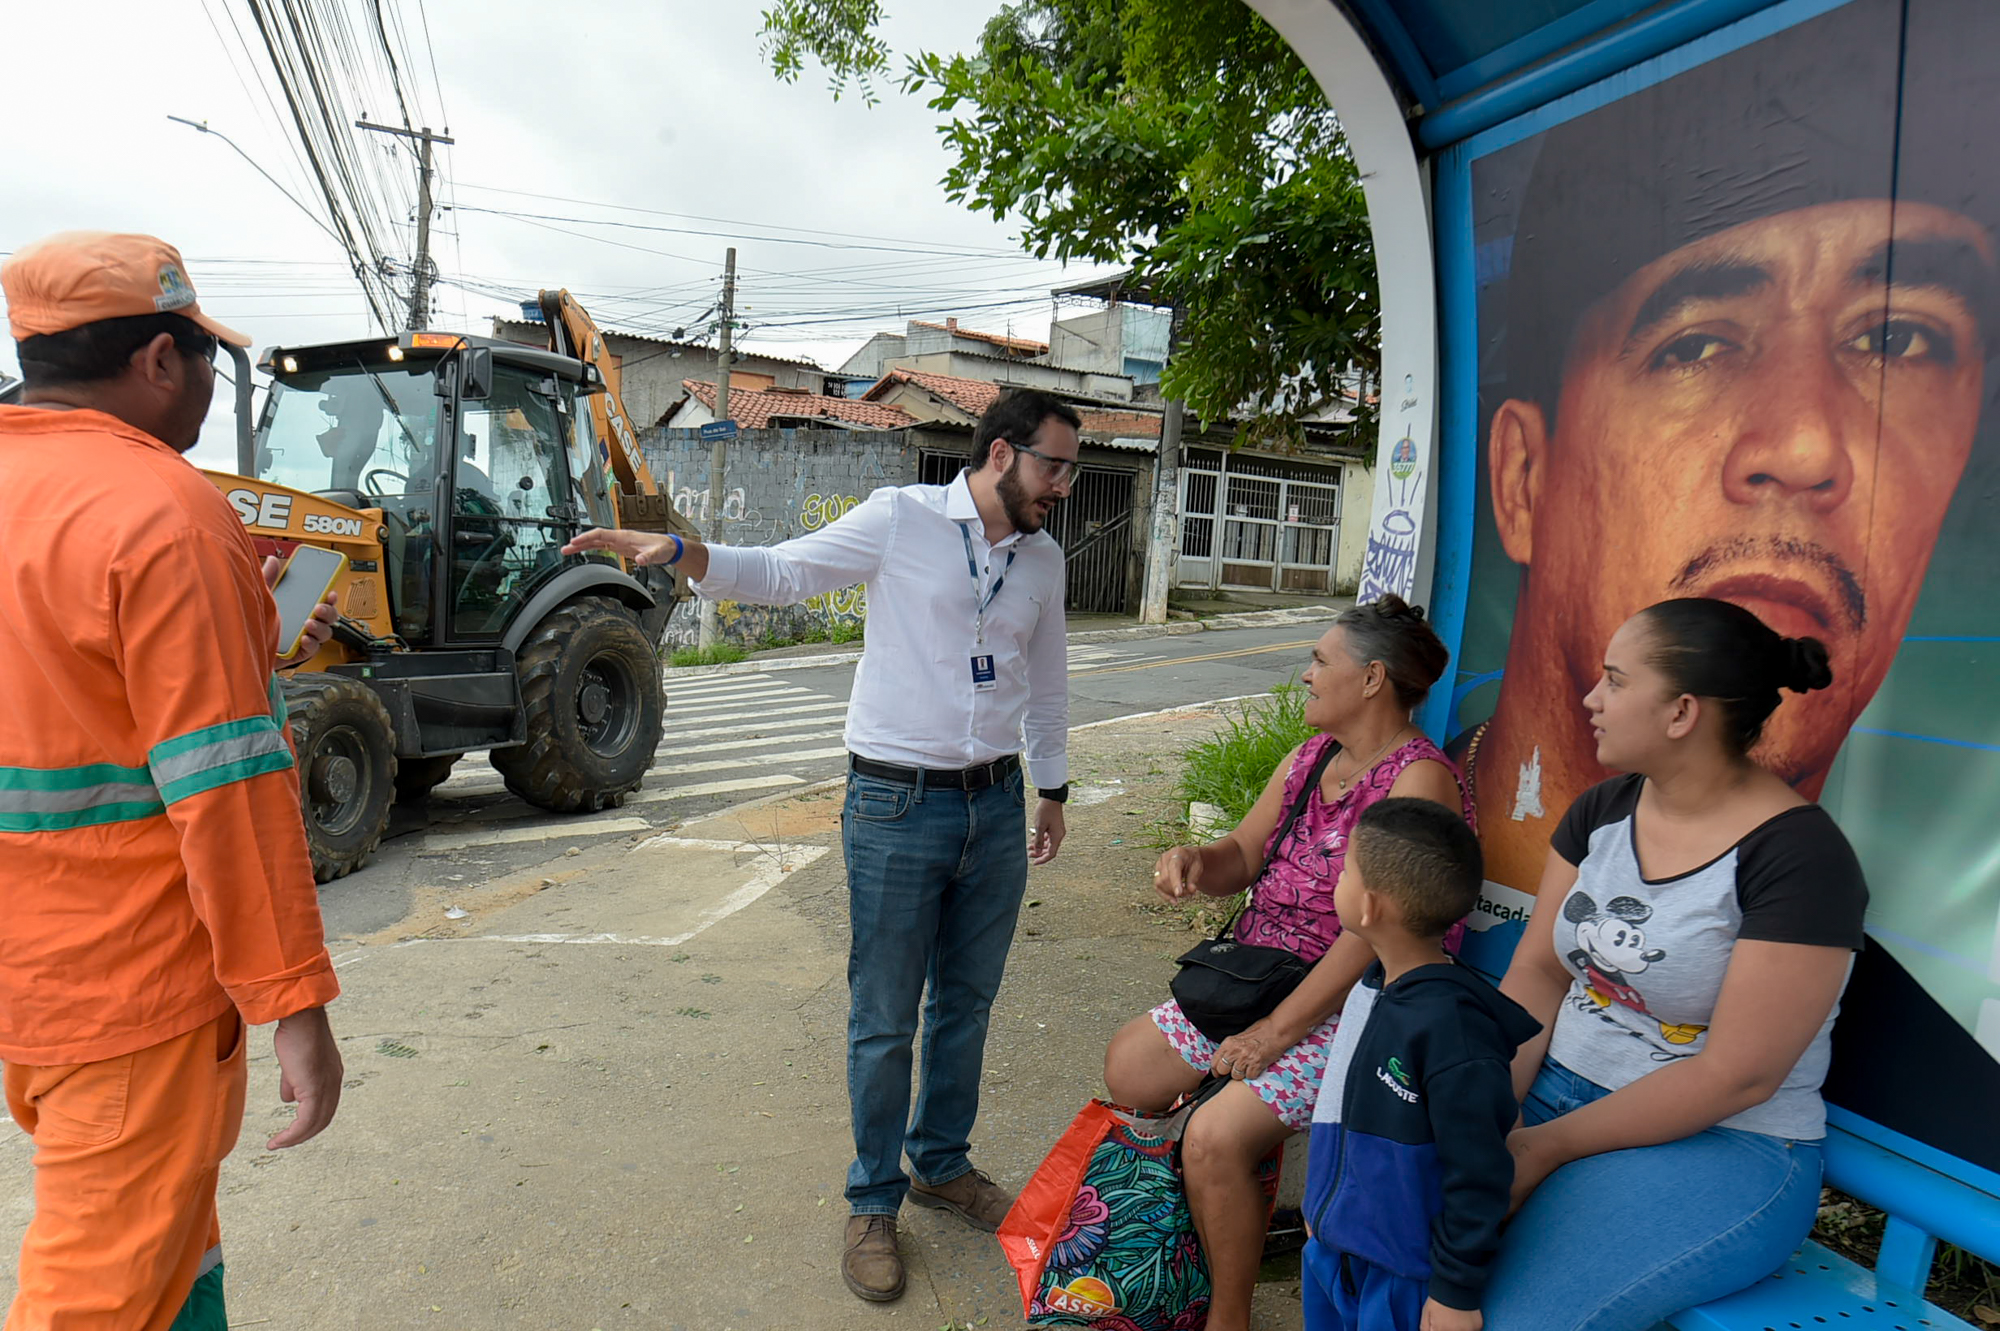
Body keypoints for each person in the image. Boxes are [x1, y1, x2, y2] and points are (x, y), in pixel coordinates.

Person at [1457, 0, 2000, 893]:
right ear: (1523, 478)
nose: (1806, 445)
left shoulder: (1812, 890)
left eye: (1894, 339)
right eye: (1696, 347)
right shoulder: (1456, 814)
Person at [562, 388, 1078, 1303]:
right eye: (1055, 465)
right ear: (1001, 452)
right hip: (895, 804)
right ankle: (873, 1199)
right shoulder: (902, 518)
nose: (1064, 485)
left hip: (995, 806)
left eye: (1071, 470)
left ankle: (941, 1162)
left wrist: (1053, 788)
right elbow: (782, 571)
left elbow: (1046, 679)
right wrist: (682, 551)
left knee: (966, 1003)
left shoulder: (1042, 559)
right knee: (884, 1015)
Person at [0, 231, 345, 1329]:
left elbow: (65, 694)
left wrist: (253, 637)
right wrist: (293, 1000)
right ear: (158, 360)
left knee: (175, 1252)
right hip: (131, 990)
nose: (206, 383)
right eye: (205, 359)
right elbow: (227, 791)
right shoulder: (166, 514)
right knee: (94, 1295)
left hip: (34, 977)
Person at [1477, 598, 1867, 1331]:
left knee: (1512, 1318)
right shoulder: (1602, 810)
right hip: (1554, 1093)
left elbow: (1737, 1076)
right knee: (1393, 1235)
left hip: (1724, 1142)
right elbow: (1538, 972)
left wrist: (1538, 1146)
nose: (1592, 698)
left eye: (1616, 680)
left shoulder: (1800, 859)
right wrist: (1489, 1108)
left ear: (1683, 712)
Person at [1102, 595, 1473, 1331]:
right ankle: (1214, 1216)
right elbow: (1242, 853)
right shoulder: (1312, 757)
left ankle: (1227, 1314)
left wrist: (1274, 1034)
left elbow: (1372, 936)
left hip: (1355, 1003)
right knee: (1131, 1068)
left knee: (1214, 1137)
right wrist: (1195, 859)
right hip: (1263, 974)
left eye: (1320, 661)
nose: (1306, 674)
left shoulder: (1418, 780)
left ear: (1372, 678)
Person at [1301, 799, 1539, 1331]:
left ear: (1369, 906)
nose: (1338, 880)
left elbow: (1479, 1171)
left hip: (1401, 1277)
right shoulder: (1374, 986)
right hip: (1335, 1250)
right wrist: (1322, 1209)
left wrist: (1455, 1292)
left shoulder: (1454, 1031)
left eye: (1346, 872)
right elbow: (1337, 1106)